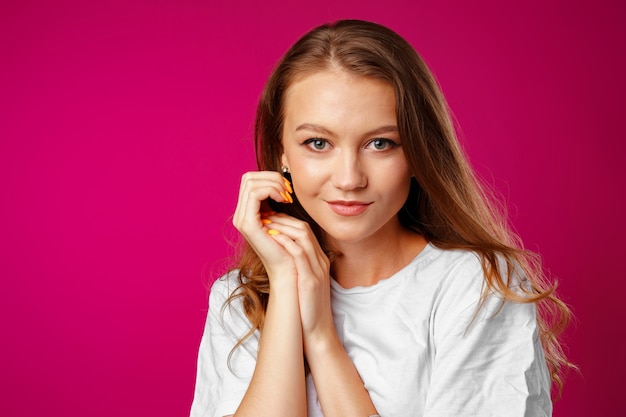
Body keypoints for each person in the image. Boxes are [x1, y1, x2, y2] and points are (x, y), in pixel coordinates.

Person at [189, 19, 573, 417]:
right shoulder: (240, 298)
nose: (349, 179)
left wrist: (322, 339)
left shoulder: (475, 288)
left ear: (418, 152)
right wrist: (287, 285)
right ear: (281, 151)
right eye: (317, 143)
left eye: (380, 143)